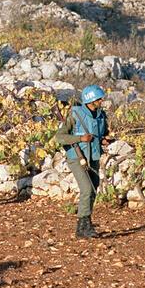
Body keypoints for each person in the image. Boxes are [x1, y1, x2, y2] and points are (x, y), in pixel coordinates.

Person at [53, 84, 111, 238]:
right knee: (86, 189)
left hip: (94, 158)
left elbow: (103, 134)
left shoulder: (101, 115)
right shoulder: (75, 115)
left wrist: (104, 140)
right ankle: (81, 227)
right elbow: (60, 137)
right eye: (99, 99)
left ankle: (87, 224)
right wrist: (80, 138)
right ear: (91, 100)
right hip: (77, 158)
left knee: (93, 190)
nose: (101, 101)